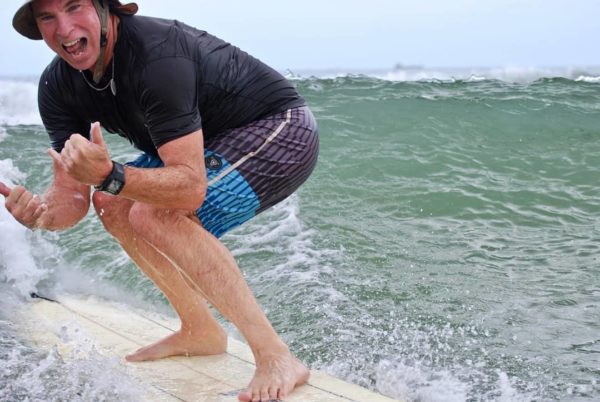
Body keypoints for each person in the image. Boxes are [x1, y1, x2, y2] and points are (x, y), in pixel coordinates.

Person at [1, 0, 319, 401]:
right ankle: (199, 328)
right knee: (111, 203)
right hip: (199, 142)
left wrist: (110, 175)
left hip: (277, 130)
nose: (63, 30)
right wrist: (41, 216)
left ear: (105, 10)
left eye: (74, 7)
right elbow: (72, 197)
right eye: (47, 17)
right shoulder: (57, 87)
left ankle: (276, 357)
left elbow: (190, 188)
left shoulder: (156, 55)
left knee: (155, 213)